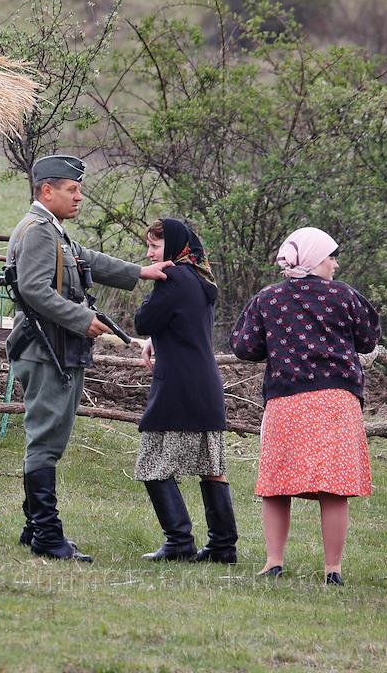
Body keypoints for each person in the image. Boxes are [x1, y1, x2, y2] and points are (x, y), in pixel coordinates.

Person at [6, 155, 172, 561]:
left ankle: (34, 527)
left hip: (54, 347)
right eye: (72, 190)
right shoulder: (38, 231)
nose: (79, 197)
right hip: (46, 349)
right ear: (48, 191)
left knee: (49, 438)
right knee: (46, 440)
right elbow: (34, 290)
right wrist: (82, 319)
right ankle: (47, 536)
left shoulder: (50, 228)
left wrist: (140, 272)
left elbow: (87, 259)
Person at [230, 227, 379, 586]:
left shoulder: (269, 298)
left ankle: (273, 562)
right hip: (336, 401)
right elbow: (368, 339)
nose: (335, 264)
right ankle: (333, 569)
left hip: (287, 400)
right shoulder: (344, 296)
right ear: (314, 259)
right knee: (334, 486)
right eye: (331, 257)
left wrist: (280, 343)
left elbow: (244, 346)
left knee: (277, 483)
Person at [134, 218, 237, 563]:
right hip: (204, 384)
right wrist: (156, 339)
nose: (149, 253)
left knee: (153, 463)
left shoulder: (173, 277)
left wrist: (151, 325)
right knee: (211, 466)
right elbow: (182, 322)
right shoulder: (200, 277)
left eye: (155, 246)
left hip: (178, 385)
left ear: (175, 247)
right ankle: (223, 546)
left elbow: (144, 320)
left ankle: (179, 541)